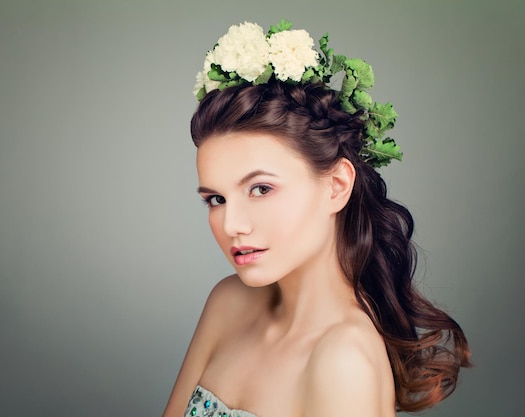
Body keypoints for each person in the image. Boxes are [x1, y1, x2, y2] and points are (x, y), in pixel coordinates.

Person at [163, 20, 471, 417]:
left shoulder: (344, 358)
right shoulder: (228, 301)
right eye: (217, 199)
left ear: (337, 186)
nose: (231, 225)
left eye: (261, 189)